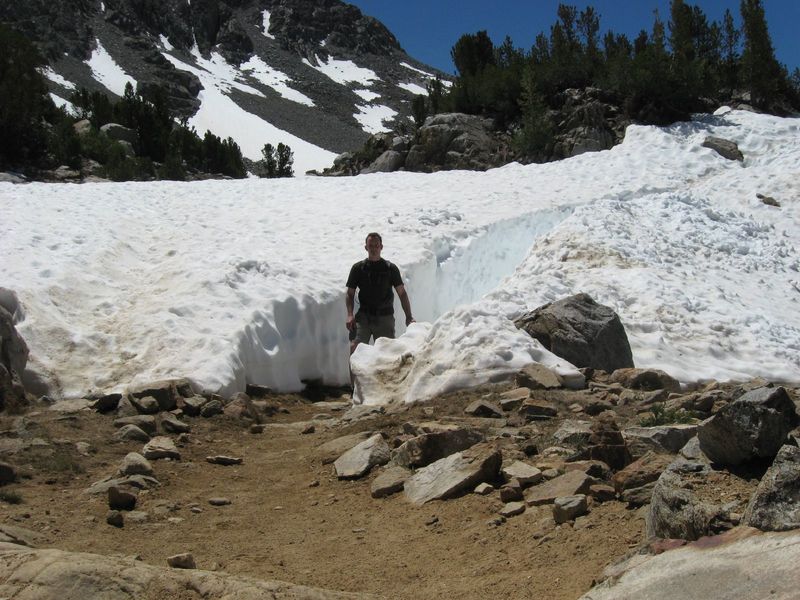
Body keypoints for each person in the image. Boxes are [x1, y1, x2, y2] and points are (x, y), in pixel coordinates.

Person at [346, 232, 414, 354]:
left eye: (376, 245)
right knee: (354, 348)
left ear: (381, 247)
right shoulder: (358, 268)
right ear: (366, 247)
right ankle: (356, 374)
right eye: (371, 245)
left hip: (384, 318)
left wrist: (409, 316)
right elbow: (350, 293)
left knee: (387, 353)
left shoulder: (390, 268)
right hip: (363, 317)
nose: (374, 248)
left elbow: (402, 293)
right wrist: (350, 315)